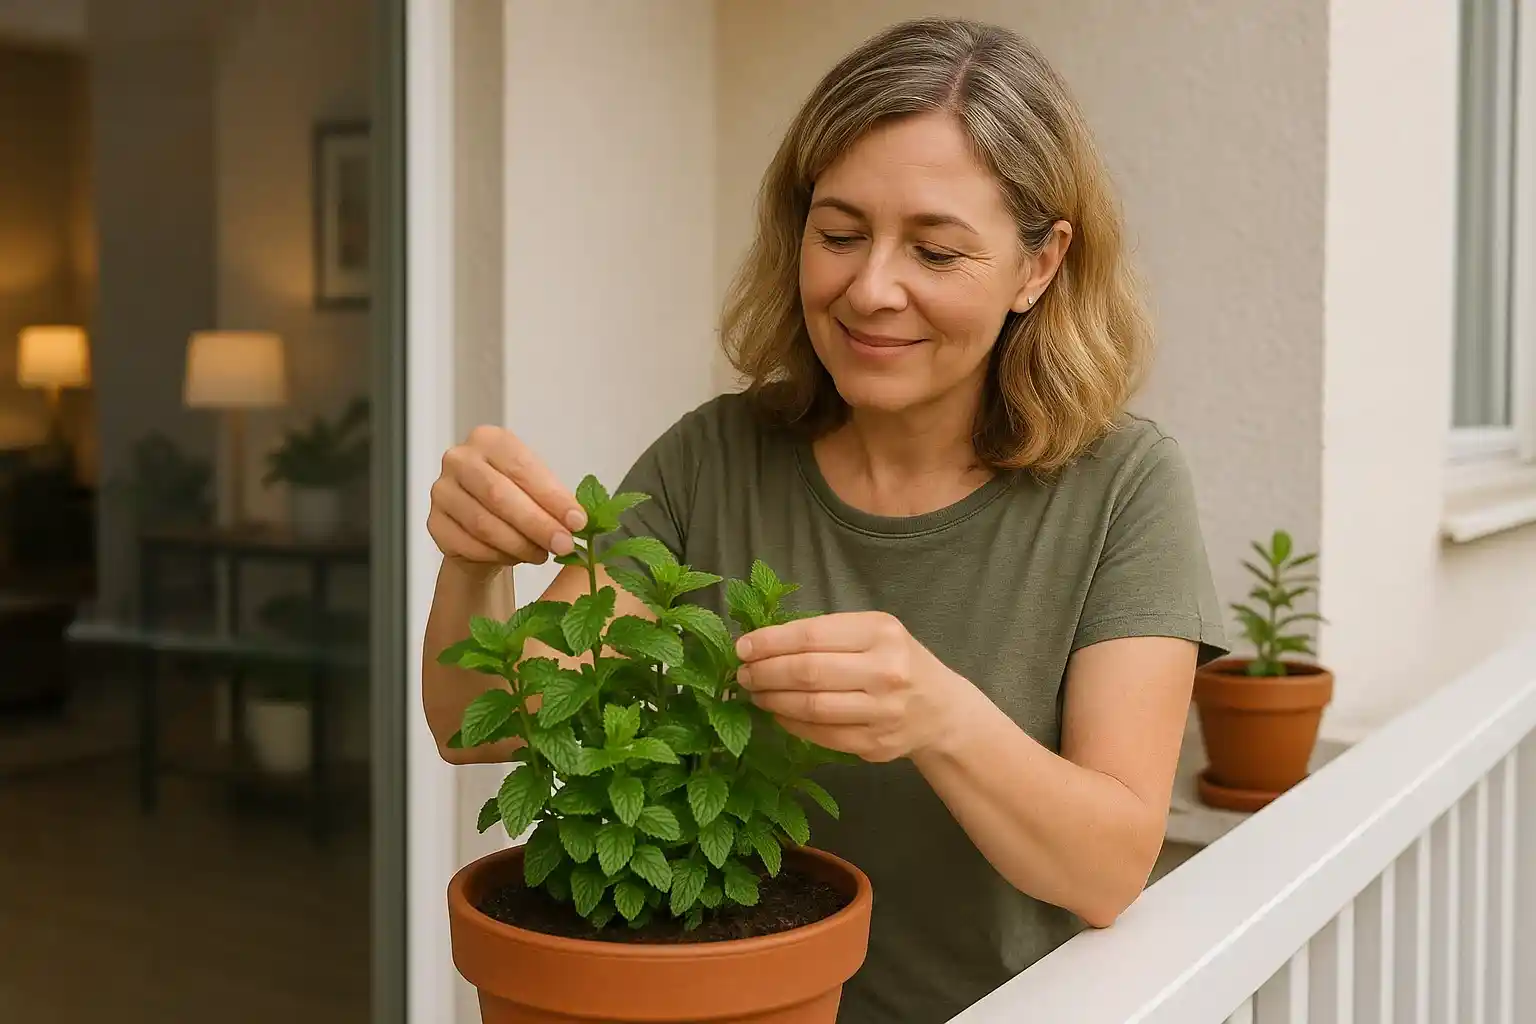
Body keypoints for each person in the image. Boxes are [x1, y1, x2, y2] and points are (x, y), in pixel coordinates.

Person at [422, 15, 1227, 1024]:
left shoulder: (1123, 485)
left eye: (935, 250)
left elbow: (1108, 866)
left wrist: (940, 713)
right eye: (839, 233)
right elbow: (479, 720)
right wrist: (471, 565)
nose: (871, 288)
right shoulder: (713, 458)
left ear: (1039, 265)